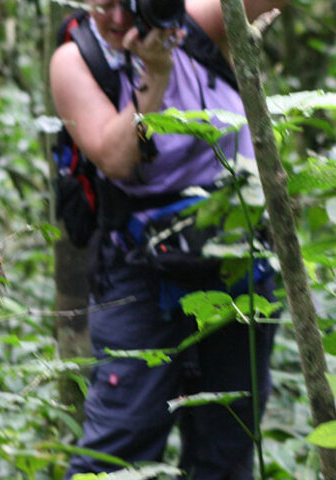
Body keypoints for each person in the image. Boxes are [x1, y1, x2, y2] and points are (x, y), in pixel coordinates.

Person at [49, 0, 286, 478]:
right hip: (140, 274)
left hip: (236, 263)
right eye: (103, 5)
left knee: (227, 446)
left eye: (128, 5)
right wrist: (155, 76)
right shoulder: (76, 59)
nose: (117, 20)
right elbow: (116, 159)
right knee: (120, 447)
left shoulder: (193, 24)